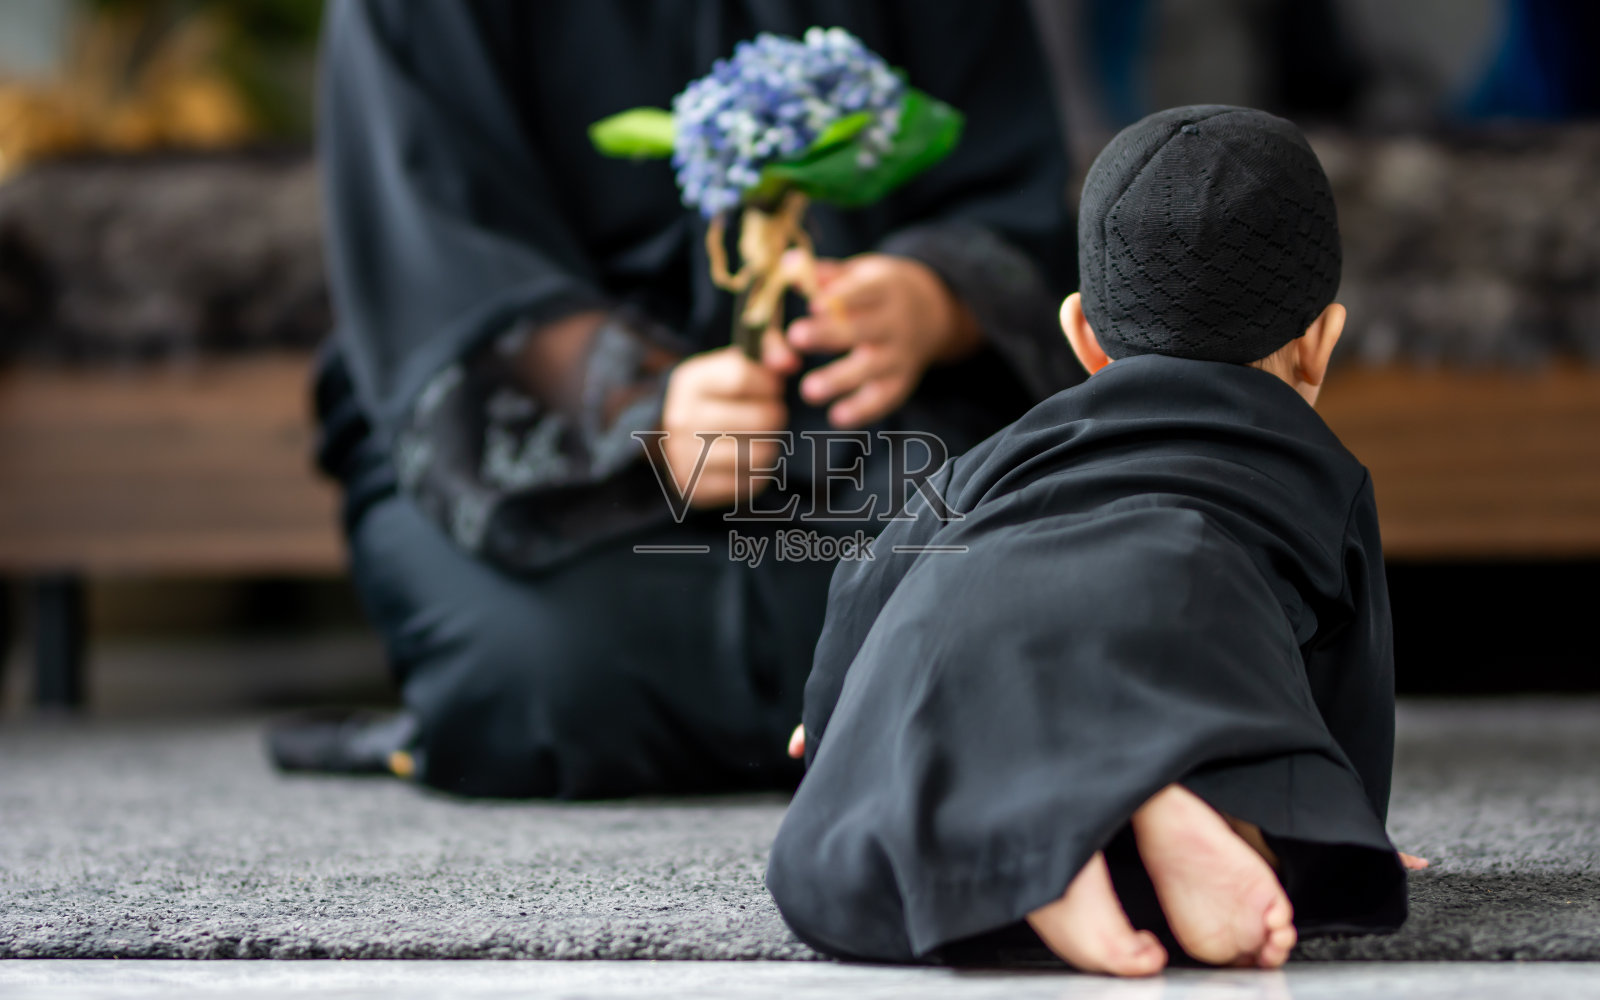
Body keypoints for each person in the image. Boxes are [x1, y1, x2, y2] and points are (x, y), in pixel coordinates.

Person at [271, 0, 1083, 797]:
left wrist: (934, 298)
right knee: (548, 675)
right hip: (537, 426)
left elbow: (1011, 194)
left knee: (985, 607)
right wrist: (636, 401)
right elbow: (431, 253)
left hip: (865, 419)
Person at [767, 105, 1424, 973]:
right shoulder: (1315, 475)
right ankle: (1175, 811)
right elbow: (1352, 693)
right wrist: (1341, 820)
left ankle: (1045, 863)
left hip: (969, 626)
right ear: (1320, 344)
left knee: (854, 843)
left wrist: (837, 724)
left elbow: (866, 578)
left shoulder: (987, 465)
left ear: (1081, 336)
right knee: (1216, 731)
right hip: (1175, 602)